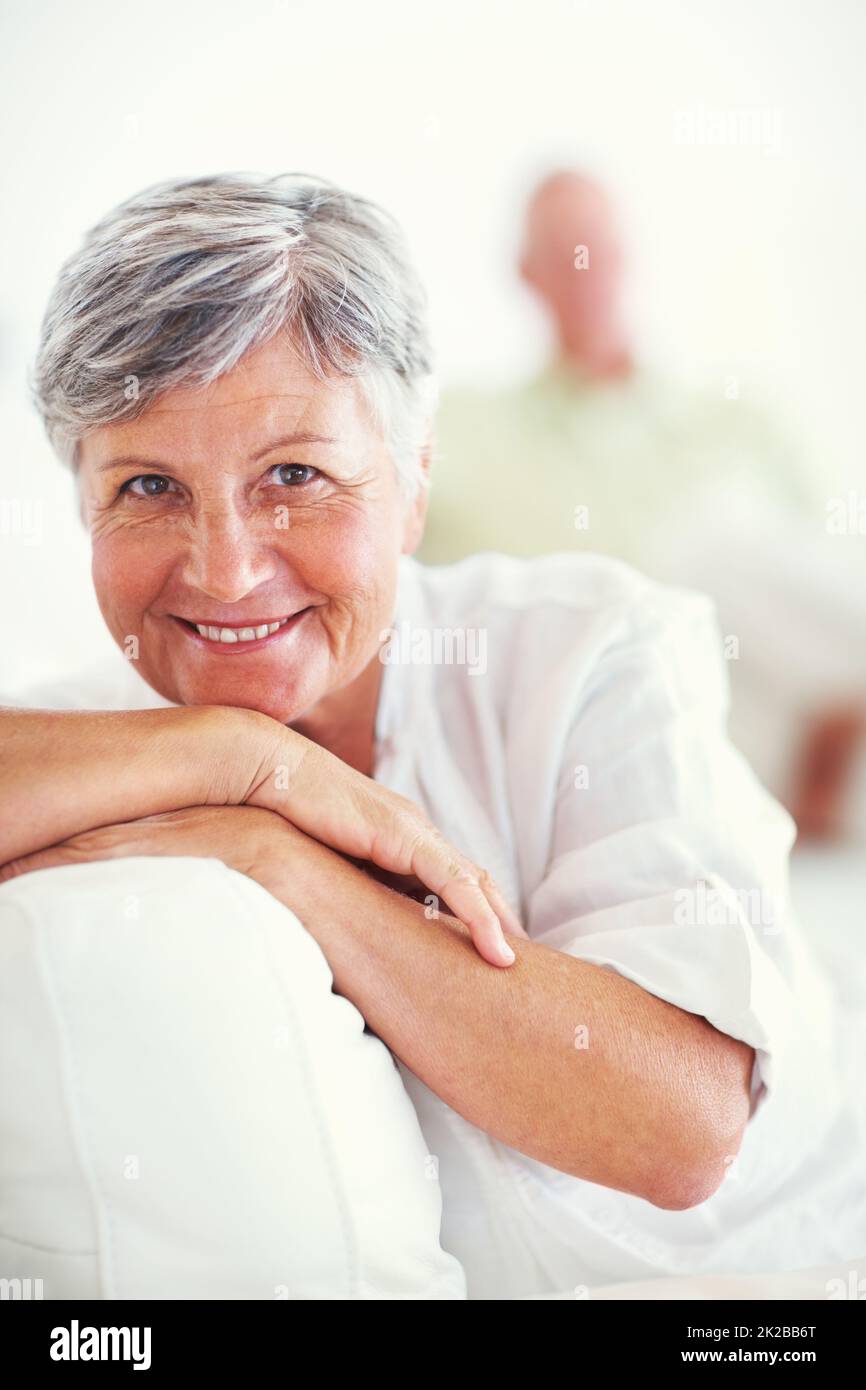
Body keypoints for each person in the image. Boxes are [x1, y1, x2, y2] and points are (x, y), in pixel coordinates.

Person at [0, 173, 859, 1299]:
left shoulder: (594, 647)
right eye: (148, 485)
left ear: (412, 483)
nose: (224, 569)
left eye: (294, 475)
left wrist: (278, 851)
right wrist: (245, 765)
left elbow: (681, 1126)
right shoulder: (99, 747)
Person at [419, 169, 866, 839]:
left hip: (788, 680)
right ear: (526, 273)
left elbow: (824, 566)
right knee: (664, 621)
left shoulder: (737, 421)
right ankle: (821, 775)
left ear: (632, 256)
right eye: (564, 250)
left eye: (600, 246)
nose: (586, 269)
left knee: (721, 544)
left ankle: (833, 761)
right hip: (636, 708)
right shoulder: (464, 428)